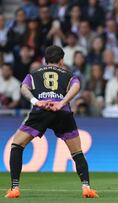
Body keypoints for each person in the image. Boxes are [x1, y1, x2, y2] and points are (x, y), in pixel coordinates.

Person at [4, 45, 98, 199]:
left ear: (45, 60)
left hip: (41, 111)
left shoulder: (34, 74)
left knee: (17, 145)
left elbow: (23, 87)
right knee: (77, 153)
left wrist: (36, 101)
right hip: (62, 112)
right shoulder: (68, 74)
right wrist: (62, 102)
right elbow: (77, 86)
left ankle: (15, 188)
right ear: (61, 61)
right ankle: (86, 187)